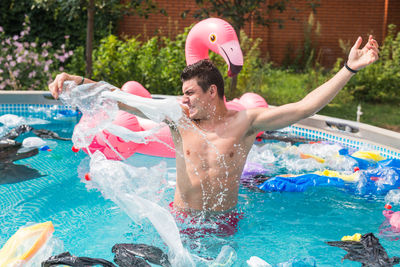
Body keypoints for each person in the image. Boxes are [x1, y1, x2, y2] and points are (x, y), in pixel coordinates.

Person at [49, 35, 379, 216]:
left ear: (212, 92)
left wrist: (349, 68)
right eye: (183, 94)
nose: (185, 100)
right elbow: (118, 97)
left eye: (190, 94)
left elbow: (305, 105)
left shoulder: (246, 123)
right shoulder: (177, 119)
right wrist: (75, 80)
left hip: (224, 222)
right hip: (181, 219)